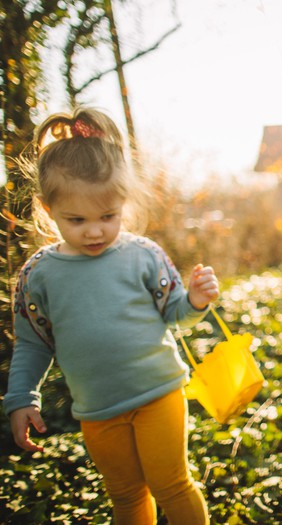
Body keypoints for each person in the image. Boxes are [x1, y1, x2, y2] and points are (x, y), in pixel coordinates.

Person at [3, 107, 218, 524]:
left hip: (159, 394)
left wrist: (193, 301)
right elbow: (32, 343)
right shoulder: (38, 276)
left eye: (108, 217)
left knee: (172, 484)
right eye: (77, 220)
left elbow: (174, 314)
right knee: (125, 496)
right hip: (98, 411)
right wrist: (22, 398)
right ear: (48, 210)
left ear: (123, 202)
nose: (96, 231)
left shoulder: (142, 256)